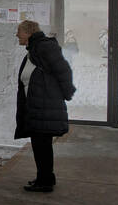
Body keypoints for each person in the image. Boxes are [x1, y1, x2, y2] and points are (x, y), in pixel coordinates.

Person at [14, 19, 75, 192]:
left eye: (19, 31)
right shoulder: (35, 49)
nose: (17, 35)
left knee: (42, 145)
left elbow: (63, 70)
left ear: (28, 32)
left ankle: (45, 182)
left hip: (44, 106)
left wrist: (66, 93)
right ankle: (45, 177)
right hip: (38, 106)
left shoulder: (43, 47)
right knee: (40, 145)